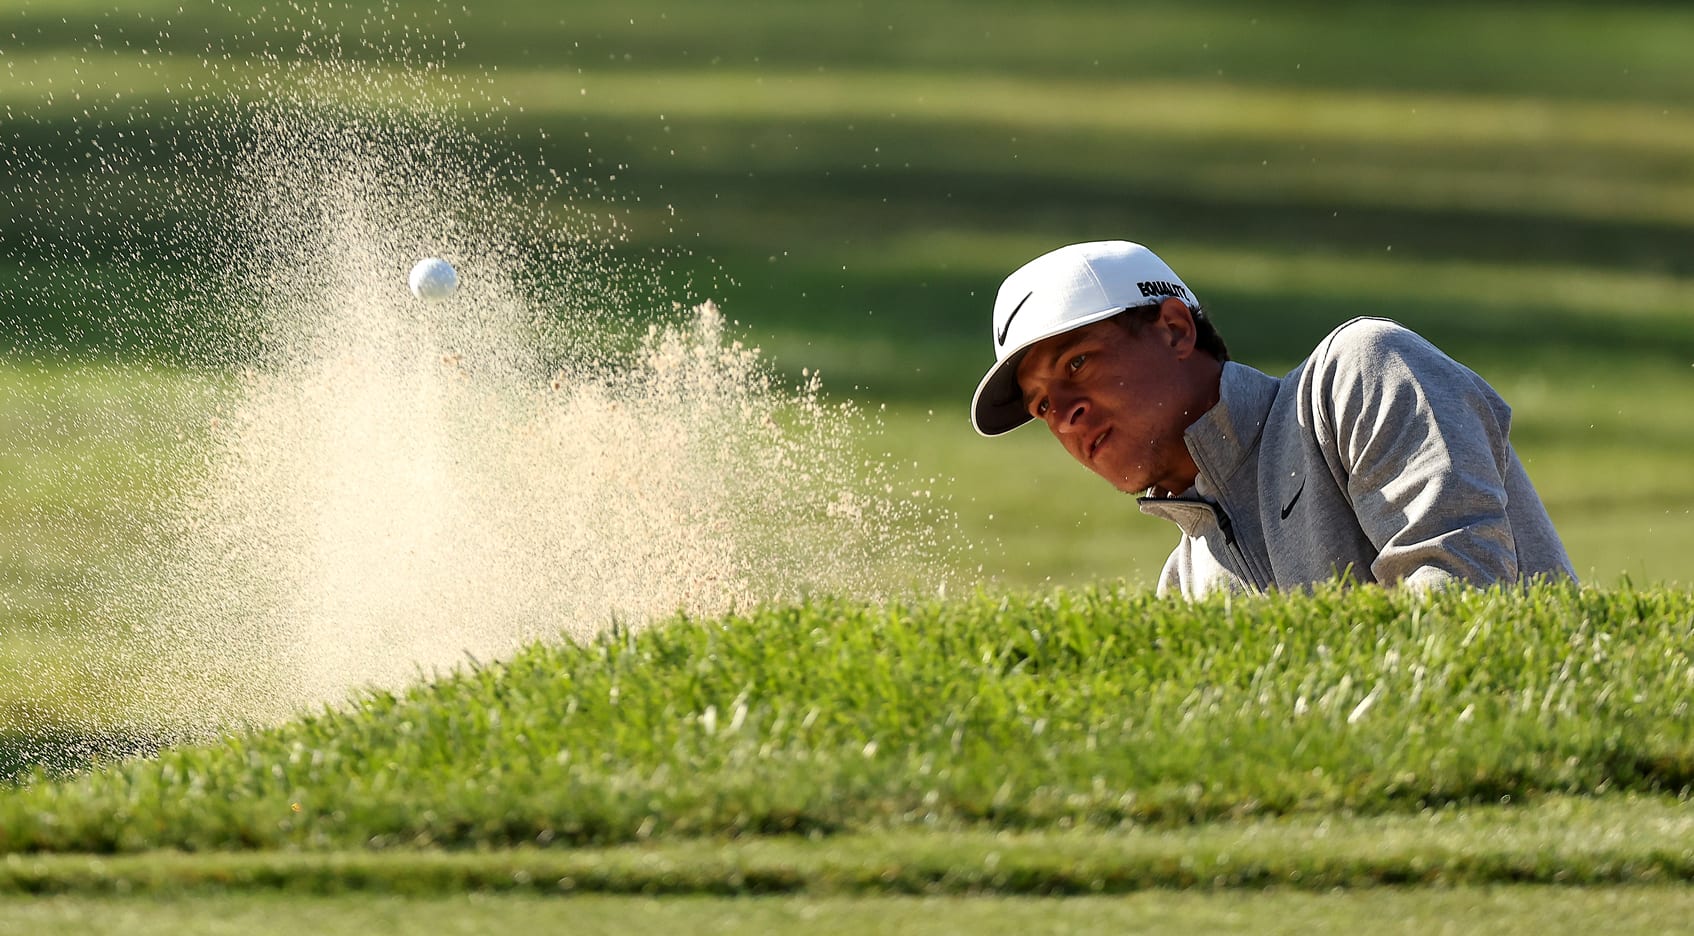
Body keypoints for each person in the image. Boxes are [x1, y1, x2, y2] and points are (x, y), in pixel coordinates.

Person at [969, 240, 1577, 598]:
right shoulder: (1185, 588)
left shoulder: (1357, 374)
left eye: (1078, 363)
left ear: (1176, 329)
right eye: (1042, 405)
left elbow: (1462, 592)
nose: (1066, 417)